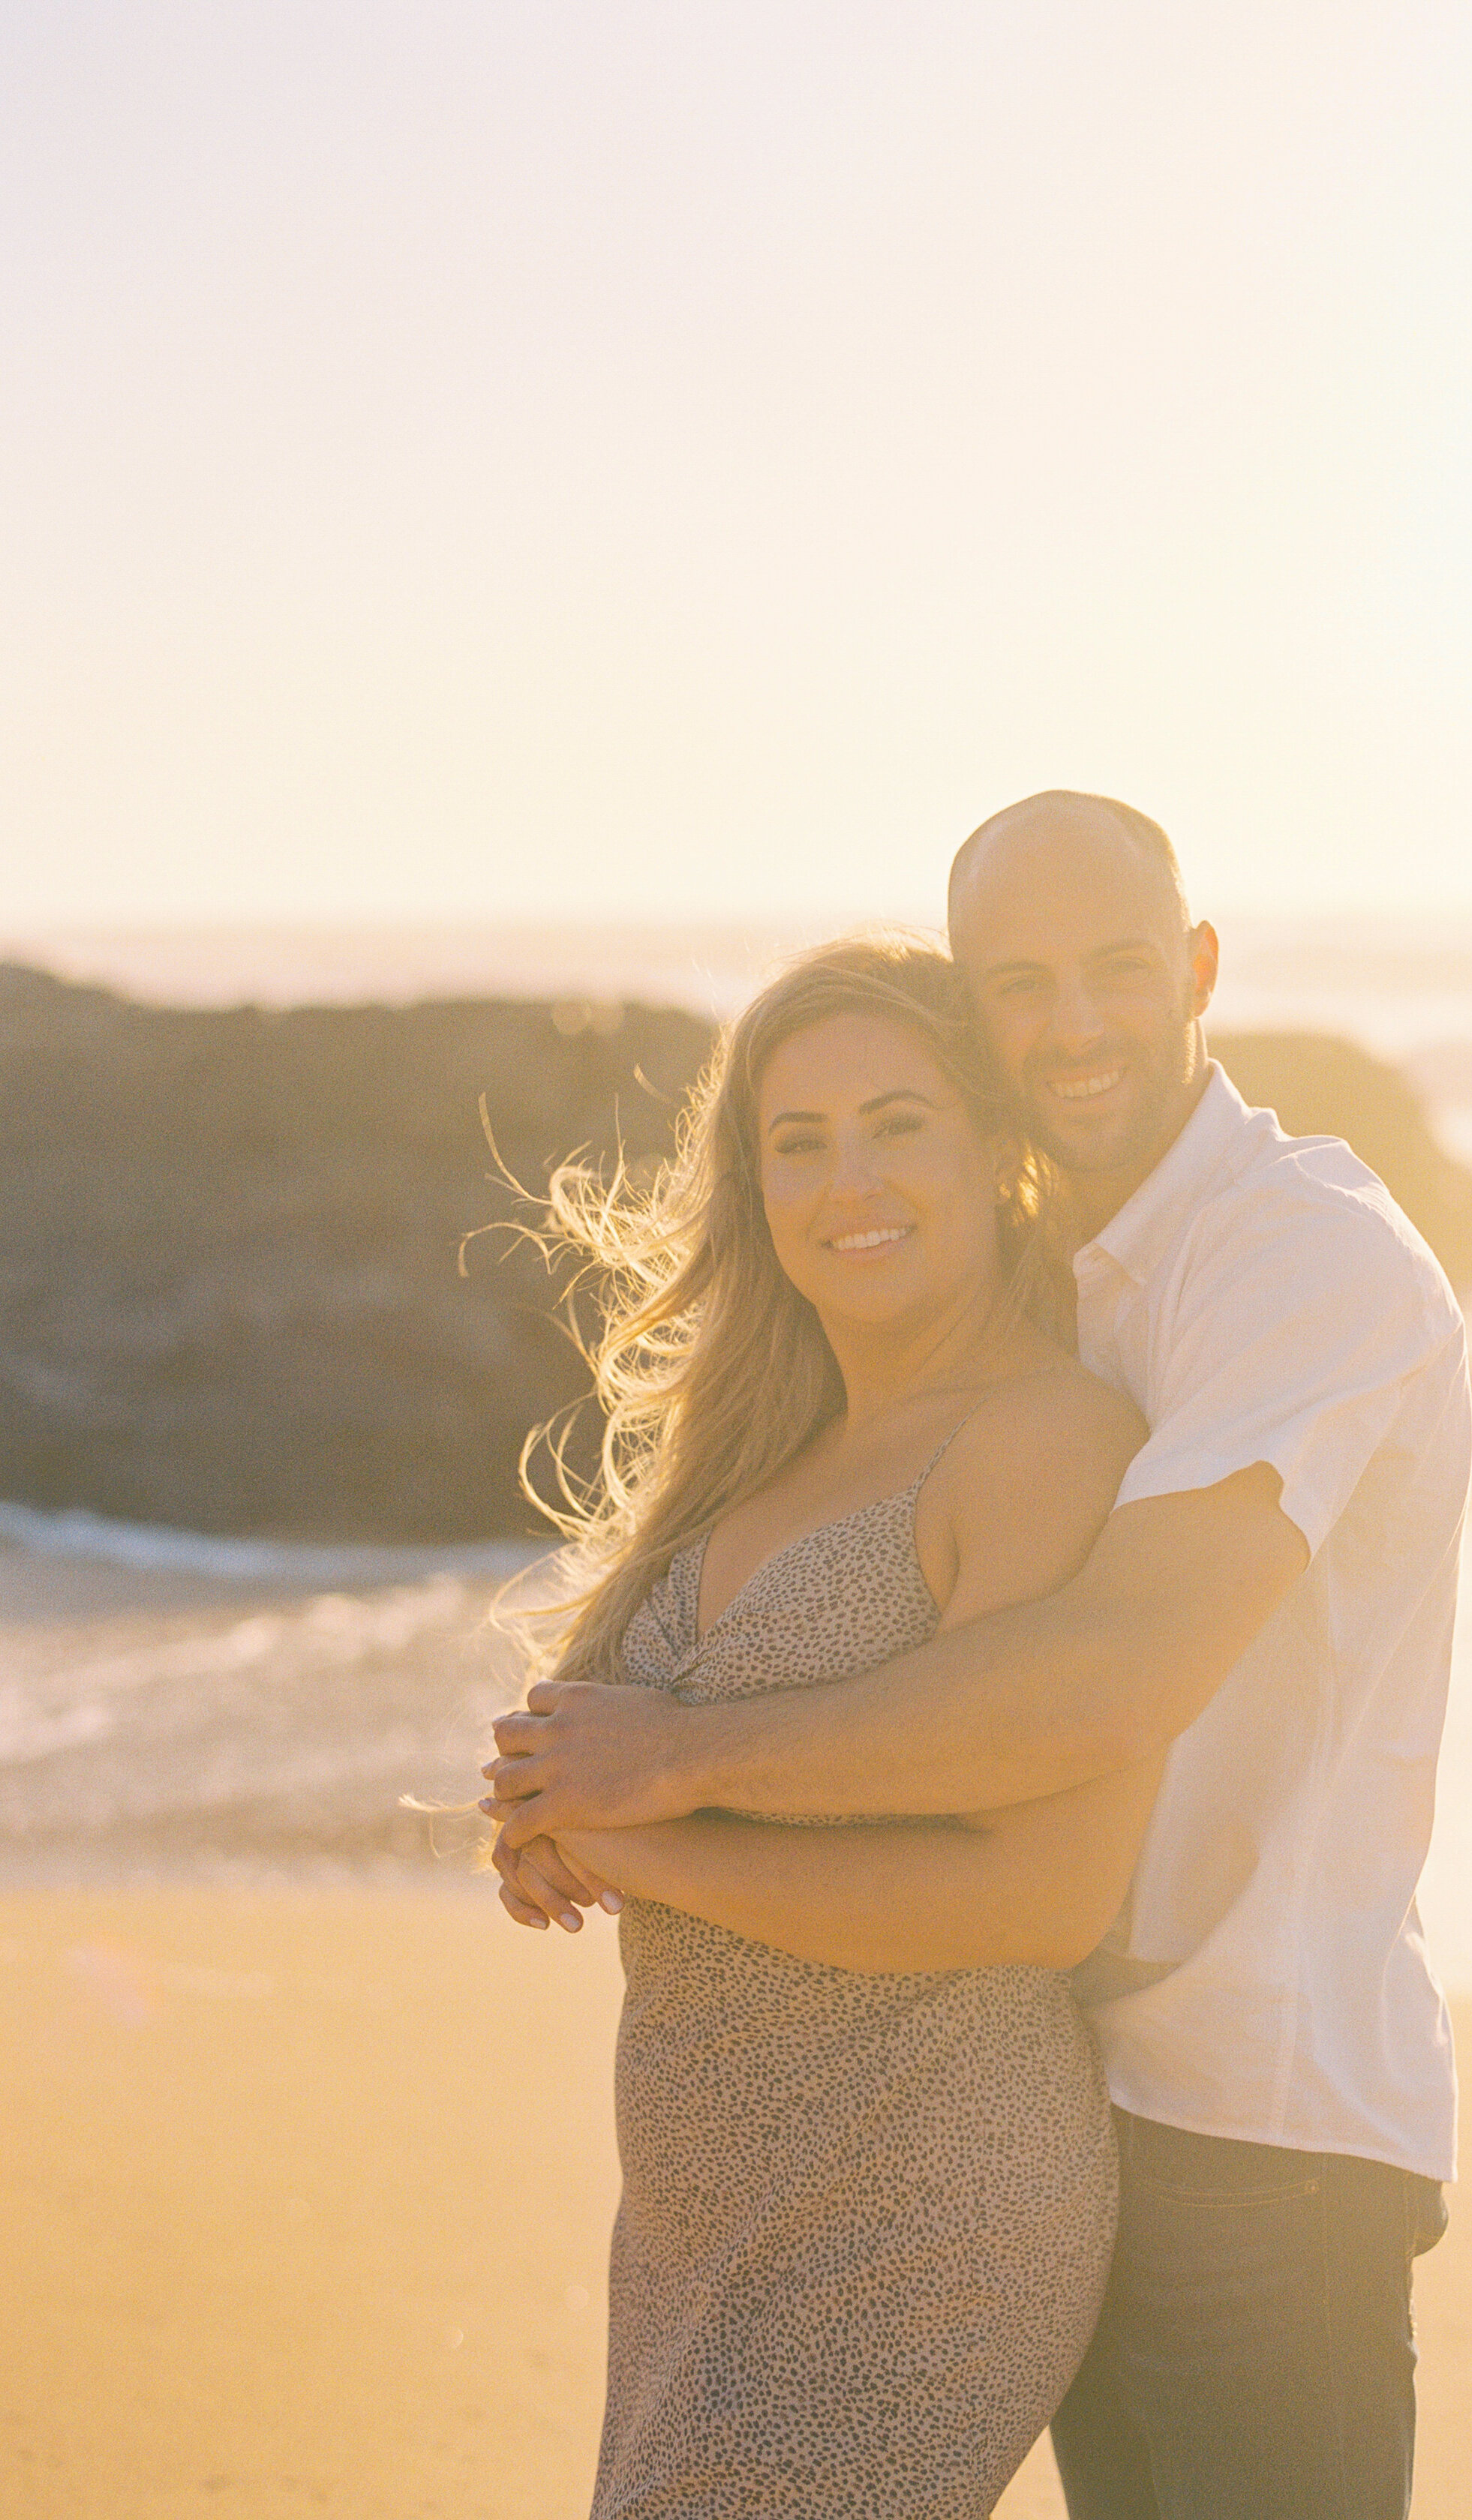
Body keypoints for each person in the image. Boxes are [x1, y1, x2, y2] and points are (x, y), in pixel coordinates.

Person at [491, 794, 1470, 2520]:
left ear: (1197, 968)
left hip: (1259, 2121)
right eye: (1018, 983)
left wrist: (668, 1778)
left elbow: (1098, 1685)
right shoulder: (1082, 1280)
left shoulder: (1295, 1260)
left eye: (1112, 970)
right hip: (1083, 2095)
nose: (1072, 1024)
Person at [491, 934, 1162, 2520]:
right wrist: (547, 1802)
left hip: (918, 2207)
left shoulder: (1041, 1440)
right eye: (797, 1143)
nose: (845, 1178)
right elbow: (643, 1755)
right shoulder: (763, 1448)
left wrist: (645, 1841)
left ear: (995, 1149)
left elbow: (1041, 1898)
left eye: (897, 1123)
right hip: (697, 2233)